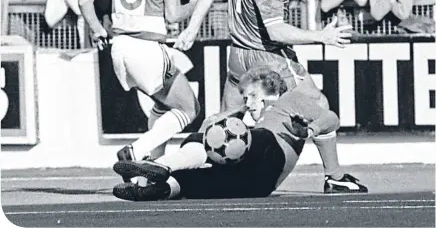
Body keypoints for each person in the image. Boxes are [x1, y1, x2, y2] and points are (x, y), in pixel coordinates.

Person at [174, 0, 365, 193]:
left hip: (238, 56)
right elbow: (276, 32)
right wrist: (320, 36)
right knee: (320, 106)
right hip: (269, 59)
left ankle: (177, 164)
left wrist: (191, 29)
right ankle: (334, 175)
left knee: (225, 119)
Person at [78, 0, 201, 179]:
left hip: (119, 48)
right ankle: (137, 152)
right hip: (147, 48)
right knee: (188, 108)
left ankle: (148, 174)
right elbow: (173, 15)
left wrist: (98, 29)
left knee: (162, 106)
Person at [112, 66, 367, 201]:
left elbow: (331, 118)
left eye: (253, 96)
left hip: (269, 149)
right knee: (191, 182)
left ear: (271, 89)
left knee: (213, 138)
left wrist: (309, 130)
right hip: (255, 185)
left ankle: (158, 165)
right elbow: (211, 124)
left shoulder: (289, 101)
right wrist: (230, 113)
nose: (249, 103)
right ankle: (150, 188)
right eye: (246, 98)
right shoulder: (248, 119)